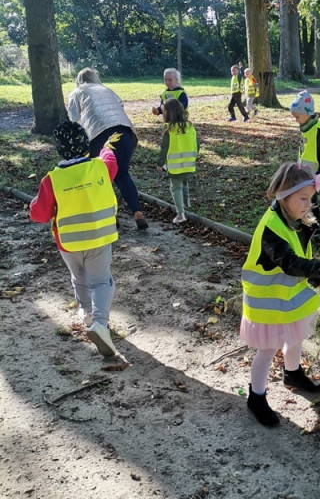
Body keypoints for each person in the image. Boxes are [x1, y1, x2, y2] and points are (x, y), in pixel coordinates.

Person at [240, 162, 320, 427]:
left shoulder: (296, 221)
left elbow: (302, 260)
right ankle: (256, 397)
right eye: (303, 198)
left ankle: (293, 373)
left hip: (289, 301)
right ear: (283, 195)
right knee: (267, 350)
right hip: (268, 304)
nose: (308, 205)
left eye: (311, 199)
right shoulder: (271, 229)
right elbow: (290, 263)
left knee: (296, 337)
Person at [29, 122, 120, 357]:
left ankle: (86, 312)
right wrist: (106, 148)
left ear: (58, 148)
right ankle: (100, 324)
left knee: (78, 277)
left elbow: (39, 214)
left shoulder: (52, 180)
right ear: (86, 144)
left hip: (68, 242)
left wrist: (32, 205)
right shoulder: (100, 167)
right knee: (101, 281)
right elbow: (111, 163)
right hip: (99, 237)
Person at [67, 67, 148, 230]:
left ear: (79, 80)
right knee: (122, 174)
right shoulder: (106, 89)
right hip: (123, 131)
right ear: (95, 77)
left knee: (101, 177)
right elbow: (121, 105)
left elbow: (73, 118)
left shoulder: (77, 92)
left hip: (98, 134)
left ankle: (112, 216)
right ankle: (137, 213)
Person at [290, 90, 320, 236]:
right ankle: (308, 226)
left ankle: (315, 229)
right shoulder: (307, 127)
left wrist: (319, 175)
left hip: (313, 175)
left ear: (307, 113)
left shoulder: (318, 131)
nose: (296, 120)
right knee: (306, 200)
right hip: (305, 174)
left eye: (297, 116)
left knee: (310, 202)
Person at [156, 99, 198, 224]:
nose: (163, 115)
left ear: (169, 113)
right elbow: (197, 144)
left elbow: (165, 148)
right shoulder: (190, 126)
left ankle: (181, 214)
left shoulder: (170, 131)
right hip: (189, 164)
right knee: (184, 183)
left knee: (176, 188)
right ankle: (186, 204)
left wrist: (159, 164)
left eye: (163, 112)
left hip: (175, 167)